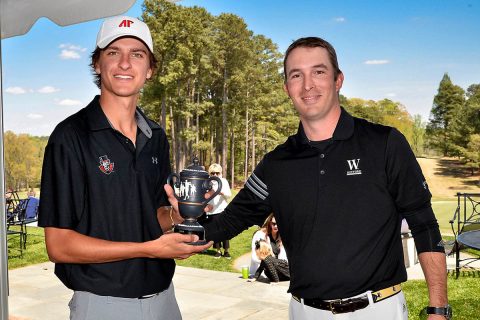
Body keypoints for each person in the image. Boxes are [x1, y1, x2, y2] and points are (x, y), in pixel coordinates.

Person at [165, 36, 449, 320]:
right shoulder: (276, 164)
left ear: (338, 80)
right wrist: (186, 222)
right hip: (305, 312)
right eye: (296, 75)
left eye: (319, 71)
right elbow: (230, 221)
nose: (308, 84)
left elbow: (423, 222)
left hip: (378, 310)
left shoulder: (385, 143)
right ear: (287, 87)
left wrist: (438, 309)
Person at [38, 16, 211, 320]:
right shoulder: (70, 137)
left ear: (150, 70)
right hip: (102, 304)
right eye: (113, 52)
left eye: (137, 54)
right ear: (97, 64)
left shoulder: (155, 136)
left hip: (164, 301)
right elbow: (59, 245)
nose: (125, 64)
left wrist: (176, 215)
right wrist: (148, 249)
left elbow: (152, 217)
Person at [205, 163, 232, 258]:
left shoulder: (224, 182)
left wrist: (221, 193)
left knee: (224, 231)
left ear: (220, 173)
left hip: (222, 210)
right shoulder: (207, 183)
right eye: (213, 173)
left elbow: (229, 195)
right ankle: (218, 251)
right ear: (210, 174)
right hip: (212, 211)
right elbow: (204, 196)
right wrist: (206, 205)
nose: (215, 175)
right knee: (215, 231)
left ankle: (226, 251)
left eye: (217, 173)